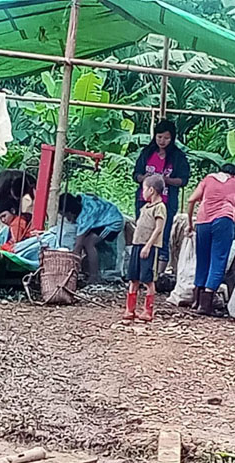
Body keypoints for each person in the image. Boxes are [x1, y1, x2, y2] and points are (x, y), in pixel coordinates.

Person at [186, 163, 235, 315]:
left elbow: (191, 200)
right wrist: (231, 222)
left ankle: (196, 299)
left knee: (202, 260)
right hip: (224, 220)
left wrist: (190, 223)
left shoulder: (208, 179)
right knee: (218, 260)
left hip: (202, 222)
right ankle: (206, 304)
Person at [133, 119, 190, 274]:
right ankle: (140, 270)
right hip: (144, 201)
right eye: (159, 137)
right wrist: (144, 178)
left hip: (166, 202)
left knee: (162, 236)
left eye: (166, 138)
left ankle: (158, 274)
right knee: (142, 234)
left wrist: (165, 180)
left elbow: (183, 180)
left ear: (172, 138)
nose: (162, 141)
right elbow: (136, 174)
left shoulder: (178, 157)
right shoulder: (147, 152)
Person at [124, 175, 167, 322]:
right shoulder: (145, 207)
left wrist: (148, 245)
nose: (143, 192)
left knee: (148, 279)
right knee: (133, 278)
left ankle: (148, 310)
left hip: (150, 247)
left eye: (144, 189)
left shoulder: (160, 207)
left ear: (151, 190)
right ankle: (130, 309)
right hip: (138, 245)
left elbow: (159, 228)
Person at [58, 193, 125, 285]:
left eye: (64, 215)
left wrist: (71, 262)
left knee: (89, 243)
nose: (65, 218)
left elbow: (78, 245)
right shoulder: (81, 198)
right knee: (86, 241)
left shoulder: (85, 217)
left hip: (113, 222)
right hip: (103, 216)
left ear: (70, 212)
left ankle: (94, 276)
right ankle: (88, 270)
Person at [0, 170, 37, 237]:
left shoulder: (31, 180)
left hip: (19, 185)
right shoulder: (4, 186)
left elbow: (37, 197)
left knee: (18, 218)